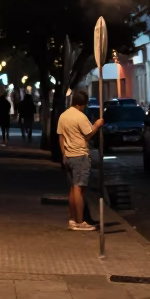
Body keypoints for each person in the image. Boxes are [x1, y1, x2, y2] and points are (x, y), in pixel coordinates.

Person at [57, 87, 104, 232]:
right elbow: (88, 133)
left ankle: (72, 219)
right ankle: (79, 221)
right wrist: (97, 124)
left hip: (69, 156)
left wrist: (64, 154)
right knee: (79, 189)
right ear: (82, 104)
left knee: (73, 188)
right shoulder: (80, 116)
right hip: (80, 156)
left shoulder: (63, 116)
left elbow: (61, 137)